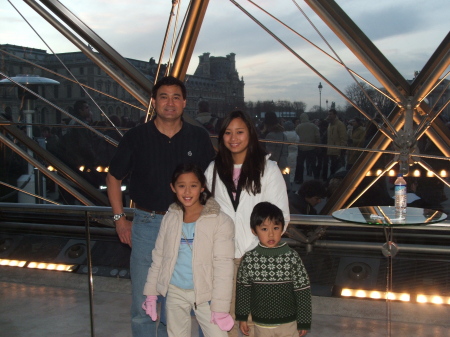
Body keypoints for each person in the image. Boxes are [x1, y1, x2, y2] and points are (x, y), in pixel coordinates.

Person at [106, 76, 215, 337]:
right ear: (154, 102)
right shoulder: (136, 137)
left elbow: (211, 181)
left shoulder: (198, 137)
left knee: (177, 304)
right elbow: (113, 177)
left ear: (184, 102)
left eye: (176, 97)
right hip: (148, 224)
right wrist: (120, 218)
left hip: (188, 226)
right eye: (164, 97)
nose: (170, 103)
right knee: (144, 301)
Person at [204, 110, 290, 337]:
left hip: (257, 258)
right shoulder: (212, 171)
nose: (234, 138)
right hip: (223, 260)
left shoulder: (268, 170)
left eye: (240, 132)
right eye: (228, 132)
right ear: (221, 136)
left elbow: (281, 217)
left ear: (250, 134)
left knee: (259, 325)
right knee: (229, 322)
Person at [142, 163, 235, 337]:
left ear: (202, 187)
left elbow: (224, 267)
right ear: (173, 188)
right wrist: (151, 294)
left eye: (193, 186)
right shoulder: (170, 218)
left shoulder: (220, 220)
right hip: (175, 290)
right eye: (181, 186)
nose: (187, 192)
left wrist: (220, 307)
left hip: (206, 294)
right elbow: (159, 258)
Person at [236, 202, 312, 337]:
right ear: (254, 230)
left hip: (289, 323)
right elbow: (243, 290)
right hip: (261, 324)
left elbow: (303, 291)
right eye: (264, 229)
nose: (271, 234)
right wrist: (242, 318)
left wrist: (304, 321)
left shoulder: (291, 256)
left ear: (282, 228)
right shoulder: (249, 259)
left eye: (276, 228)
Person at [294, 113, 320, 184]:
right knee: (313, 164)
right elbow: (317, 136)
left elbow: (296, 136)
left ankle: (300, 179)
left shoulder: (298, 127)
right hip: (311, 148)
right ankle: (316, 178)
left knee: (300, 165)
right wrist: (317, 144)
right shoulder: (313, 126)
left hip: (301, 148)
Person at [325, 109, 347, 179]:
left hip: (337, 151)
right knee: (332, 168)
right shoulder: (330, 125)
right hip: (331, 150)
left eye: (330, 114)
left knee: (338, 169)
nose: (329, 116)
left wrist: (342, 150)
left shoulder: (340, 124)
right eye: (328, 114)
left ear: (335, 115)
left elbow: (343, 137)